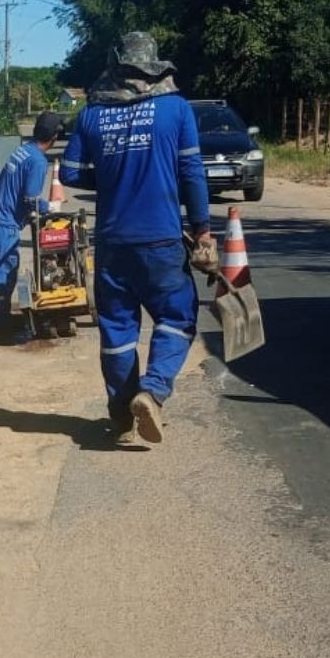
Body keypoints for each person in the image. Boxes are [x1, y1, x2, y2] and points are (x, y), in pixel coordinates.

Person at [60, 32, 216, 445]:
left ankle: (121, 417)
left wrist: (110, 179)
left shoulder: (92, 114)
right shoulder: (175, 110)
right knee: (177, 318)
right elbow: (191, 174)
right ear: (154, 66)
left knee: (117, 331)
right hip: (162, 241)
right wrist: (201, 228)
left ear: (117, 66)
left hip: (113, 244)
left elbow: (70, 173)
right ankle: (153, 389)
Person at [0, 111, 66, 341]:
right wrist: (52, 206)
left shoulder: (24, 150)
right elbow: (30, 199)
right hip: (2, 222)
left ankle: (0, 319)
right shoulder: (37, 160)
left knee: (4, 270)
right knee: (4, 271)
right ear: (55, 136)